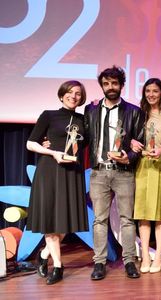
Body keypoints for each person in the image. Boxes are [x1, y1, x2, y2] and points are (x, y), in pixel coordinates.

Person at [85, 66, 145, 280]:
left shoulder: (134, 111)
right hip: (99, 172)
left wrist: (129, 156)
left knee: (127, 219)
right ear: (102, 85)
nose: (111, 87)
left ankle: (129, 260)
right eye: (106, 83)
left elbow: (140, 142)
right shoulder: (90, 109)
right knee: (99, 220)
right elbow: (82, 137)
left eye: (115, 83)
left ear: (121, 85)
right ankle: (99, 263)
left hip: (123, 173)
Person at [27, 80, 89, 285]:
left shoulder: (83, 120)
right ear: (62, 95)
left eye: (78, 93)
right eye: (70, 92)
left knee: (66, 221)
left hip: (72, 172)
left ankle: (44, 255)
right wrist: (52, 152)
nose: (74, 96)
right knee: (51, 221)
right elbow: (30, 143)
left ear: (82, 98)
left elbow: (85, 143)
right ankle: (59, 267)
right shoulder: (49, 115)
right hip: (50, 171)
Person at [130, 78, 161, 273]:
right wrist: (132, 142)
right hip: (142, 165)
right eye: (148, 91)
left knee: (160, 212)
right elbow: (129, 136)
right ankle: (145, 256)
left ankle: (158, 256)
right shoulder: (138, 113)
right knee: (143, 213)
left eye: (155, 91)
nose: (151, 94)